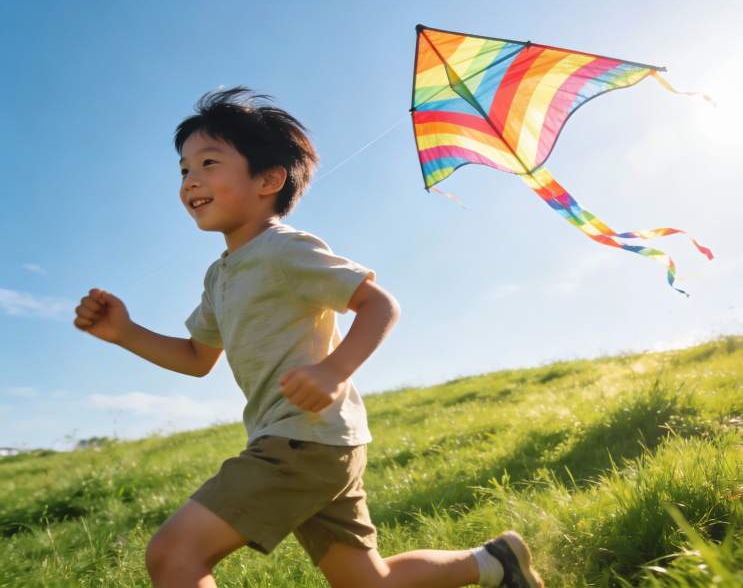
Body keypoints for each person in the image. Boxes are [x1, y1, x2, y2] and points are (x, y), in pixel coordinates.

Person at [72, 86, 544, 588]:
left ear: (269, 179)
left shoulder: (282, 249)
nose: (191, 180)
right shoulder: (221, 275)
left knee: (174, 554)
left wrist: (333, 370)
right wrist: (124, 332)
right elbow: (195, 357)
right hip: (317, 442)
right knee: (369, 582)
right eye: (184, 169)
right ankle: (496, 562)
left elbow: (380, 303)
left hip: (302, 442)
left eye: (209, 163)